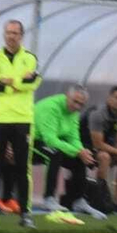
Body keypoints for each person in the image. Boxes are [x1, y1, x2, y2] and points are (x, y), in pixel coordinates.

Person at [0, 19, 40, 228]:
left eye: (15, 33)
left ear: (21, 36)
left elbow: (33, 82)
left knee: (23, 168)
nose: (11, 36)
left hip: (22, 119)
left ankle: (25, 214)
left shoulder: (29, 58)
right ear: (4, 35)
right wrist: (15, 83)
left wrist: (10, 81)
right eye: (8, 32)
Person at [32, 86, 97, 221]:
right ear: (67, 96)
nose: (77, 106)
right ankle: (49, 198)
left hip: (52, 143)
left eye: (81, 104)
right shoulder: (50, 107)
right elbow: (50, 140)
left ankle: (79, 200)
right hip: (31, 141)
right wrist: (78, 151)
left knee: (80, 158)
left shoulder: (74, 112)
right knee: (54, 153)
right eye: (75, 102)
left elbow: (73, 137)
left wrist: (82, 151)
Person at [86, 86, 117, 213]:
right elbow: (98, 144)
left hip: (108, 147)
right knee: (104, 157)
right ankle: (100, 198)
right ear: (109, 98)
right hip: (87, 147)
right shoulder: (97, 114)